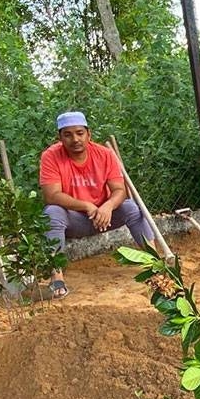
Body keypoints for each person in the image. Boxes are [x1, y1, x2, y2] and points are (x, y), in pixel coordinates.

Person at [40, 111, 153, 298]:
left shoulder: (104, 154)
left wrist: (107, 206)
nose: (75, 139)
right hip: (74, 219)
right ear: (59, 137)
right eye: (67, 134)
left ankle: (154, 263)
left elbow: (120, 190)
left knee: (131, 207)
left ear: (88, 134)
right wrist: (86, 205)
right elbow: (52, 195)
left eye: (79, 133)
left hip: (105, 216)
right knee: (52, 213)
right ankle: (56, 276)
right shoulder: (51, 156)